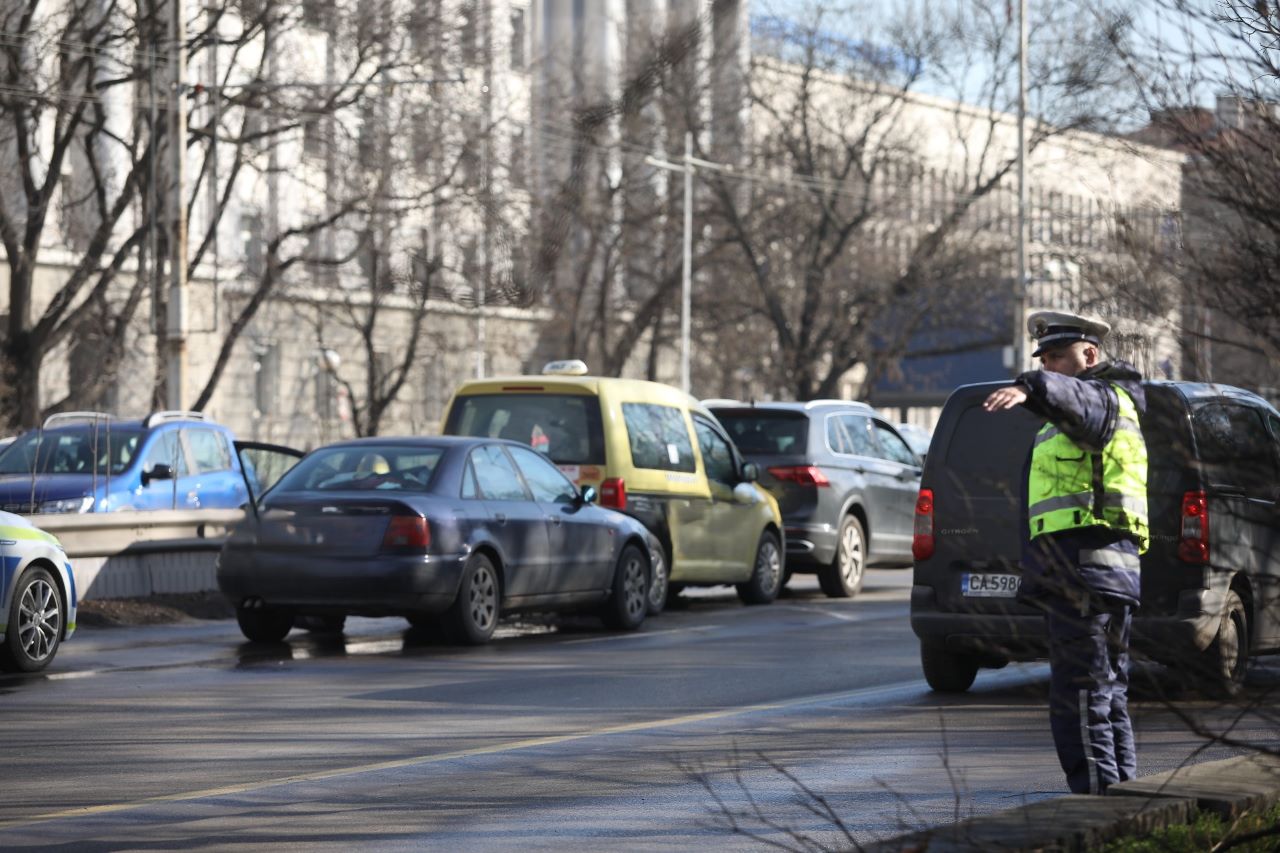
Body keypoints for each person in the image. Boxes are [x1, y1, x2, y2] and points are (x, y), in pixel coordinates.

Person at [983, 310, 1149, 795]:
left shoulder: (1101, 399)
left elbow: (1071, 394)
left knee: (1080, 700)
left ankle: (1098, 818)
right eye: (1046, 359)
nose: (1051, 365)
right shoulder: (1088, 413)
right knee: (1106, 698)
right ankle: (1126, 809)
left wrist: (1032, 387)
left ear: (1090, 355)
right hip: (1095, 577)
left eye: (1058, 356)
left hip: (1085, 577)